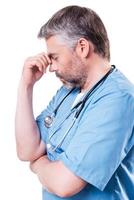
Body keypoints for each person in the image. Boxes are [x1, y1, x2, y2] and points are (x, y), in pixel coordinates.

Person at [15, 5, 134, 200]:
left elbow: (65, 184)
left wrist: (38, 164)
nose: (50, 67)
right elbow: (28, 150)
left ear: (82, 47)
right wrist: (26, 86)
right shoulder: (68, 91)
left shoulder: (118, 100)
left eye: (55, 57)